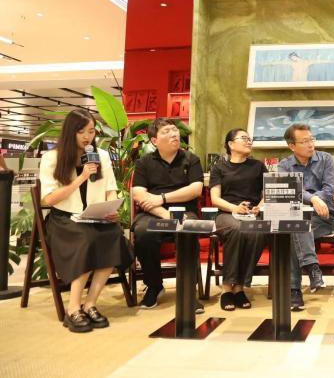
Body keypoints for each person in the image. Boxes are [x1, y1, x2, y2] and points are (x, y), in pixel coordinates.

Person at [39, 109, 132, 333]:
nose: (87, 137)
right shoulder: (52, 158)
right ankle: (73, 309)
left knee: (113, 236)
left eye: (91, 131)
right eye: (81, 132)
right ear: (70, 132)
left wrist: (111, 208)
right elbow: (48, 199)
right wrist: (80, 178)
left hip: (93, 216)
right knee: (86, 239)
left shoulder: (101, 156)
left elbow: (110, 189)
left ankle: (89, 304)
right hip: (64, 219)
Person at [131, 118, 205, 310]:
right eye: (166, 131)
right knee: (143, 232)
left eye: (175, 130)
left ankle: (188, 290)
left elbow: (196, 189)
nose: (174, 134)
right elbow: (139, 194)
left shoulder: (191, 159)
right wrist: (165, 214)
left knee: (188, 231)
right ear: (154, 141)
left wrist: (162, 198)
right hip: (152, 213)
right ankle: (154, 286)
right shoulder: (144, 163)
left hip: (184, 211)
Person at [278, 123, 334, 311]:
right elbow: (290, 191)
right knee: (296, 225)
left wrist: (315, 201)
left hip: (323, 217)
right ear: (291, 146)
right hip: (297, 215)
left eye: (311, 139)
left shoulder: (326, 159)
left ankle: (294, 290)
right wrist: (312, 199)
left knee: (294, 228)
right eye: (304, 141)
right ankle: (312, 268)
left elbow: (329, 189)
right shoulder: (284, 165)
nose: (310, 144)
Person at [209, 128, 267, 311]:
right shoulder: (219, 167)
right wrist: (234, 208)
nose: (249, 141)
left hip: (252, 214)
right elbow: (215, 198)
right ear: (231, 144)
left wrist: (259, 207)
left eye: (250, 139)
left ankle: (240, 287)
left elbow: (268, 193)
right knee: (236, 229)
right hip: (227, 213)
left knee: (258, 232)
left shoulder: (258, 166)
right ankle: (227, 288)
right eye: (244, 138)